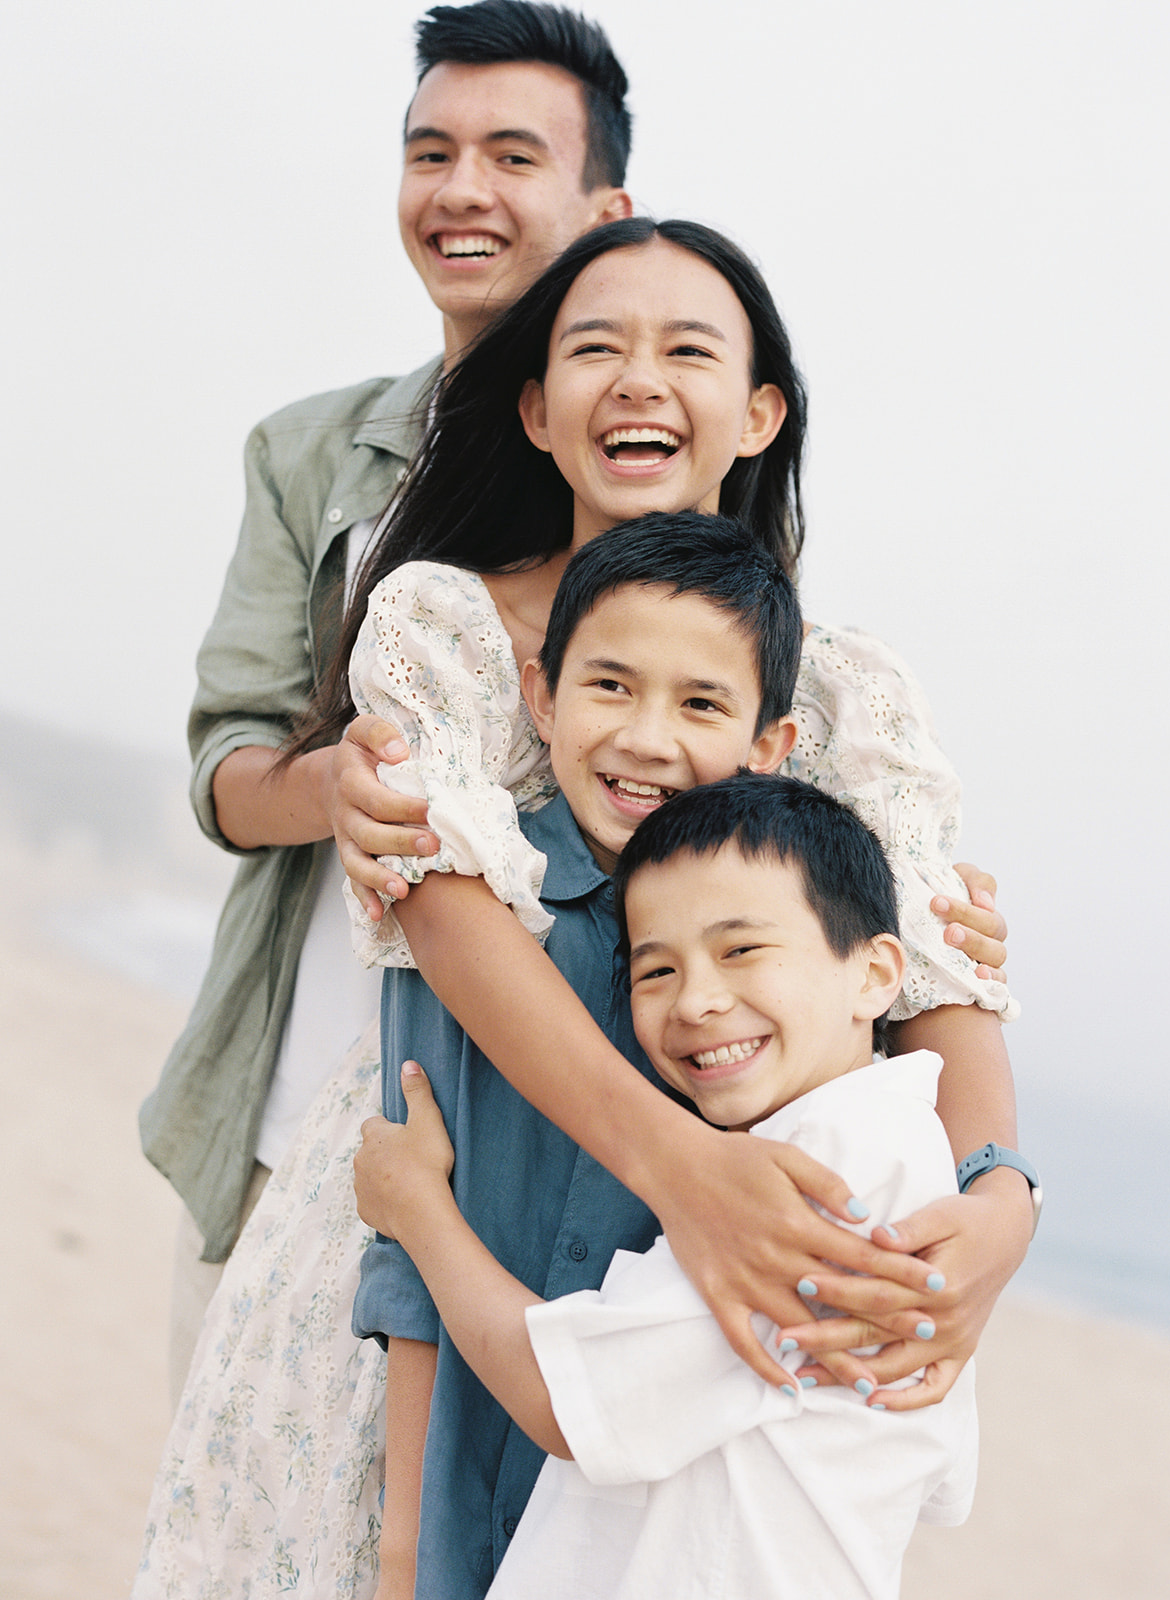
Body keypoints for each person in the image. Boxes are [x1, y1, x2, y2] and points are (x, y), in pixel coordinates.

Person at [135, 220, 1025, 1598]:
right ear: (533, 409)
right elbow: (439, 923)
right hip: (457, 1176)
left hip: (661, 1240)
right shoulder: (448, 630)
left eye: (688, 349)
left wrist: (998, 1202)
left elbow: (927, 971)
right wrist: (687, 1168)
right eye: (595, 346)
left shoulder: (827, 689)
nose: (639, 379)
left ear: (758, 410)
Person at [137, 0, 636, 1397]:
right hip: (271, 1123)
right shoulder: (310, 452)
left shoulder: (654, 475)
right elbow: (226, 771)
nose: (460, 188)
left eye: (510, 155)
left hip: (526, 1162)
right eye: (430, 151)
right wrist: (341, 786)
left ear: (607, 203)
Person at [368, 769, 979, 1600]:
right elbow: (942, 1481)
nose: (695, 1001)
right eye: (654, 973)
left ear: (874, 975)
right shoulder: (902, 1150)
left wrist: (418, 1211)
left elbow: (568, 1403)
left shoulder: (833, 1167)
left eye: (741, 950)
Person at [354, 513, 805, 1598]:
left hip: (638, 1507)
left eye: (700, 704)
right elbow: (409, 1247)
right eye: (611, 687)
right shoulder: (478, 891)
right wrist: (407, 1540)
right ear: (542, 693)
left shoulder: (766, 964)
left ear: (767, 745)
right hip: (460, 1447)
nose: (648, 738)